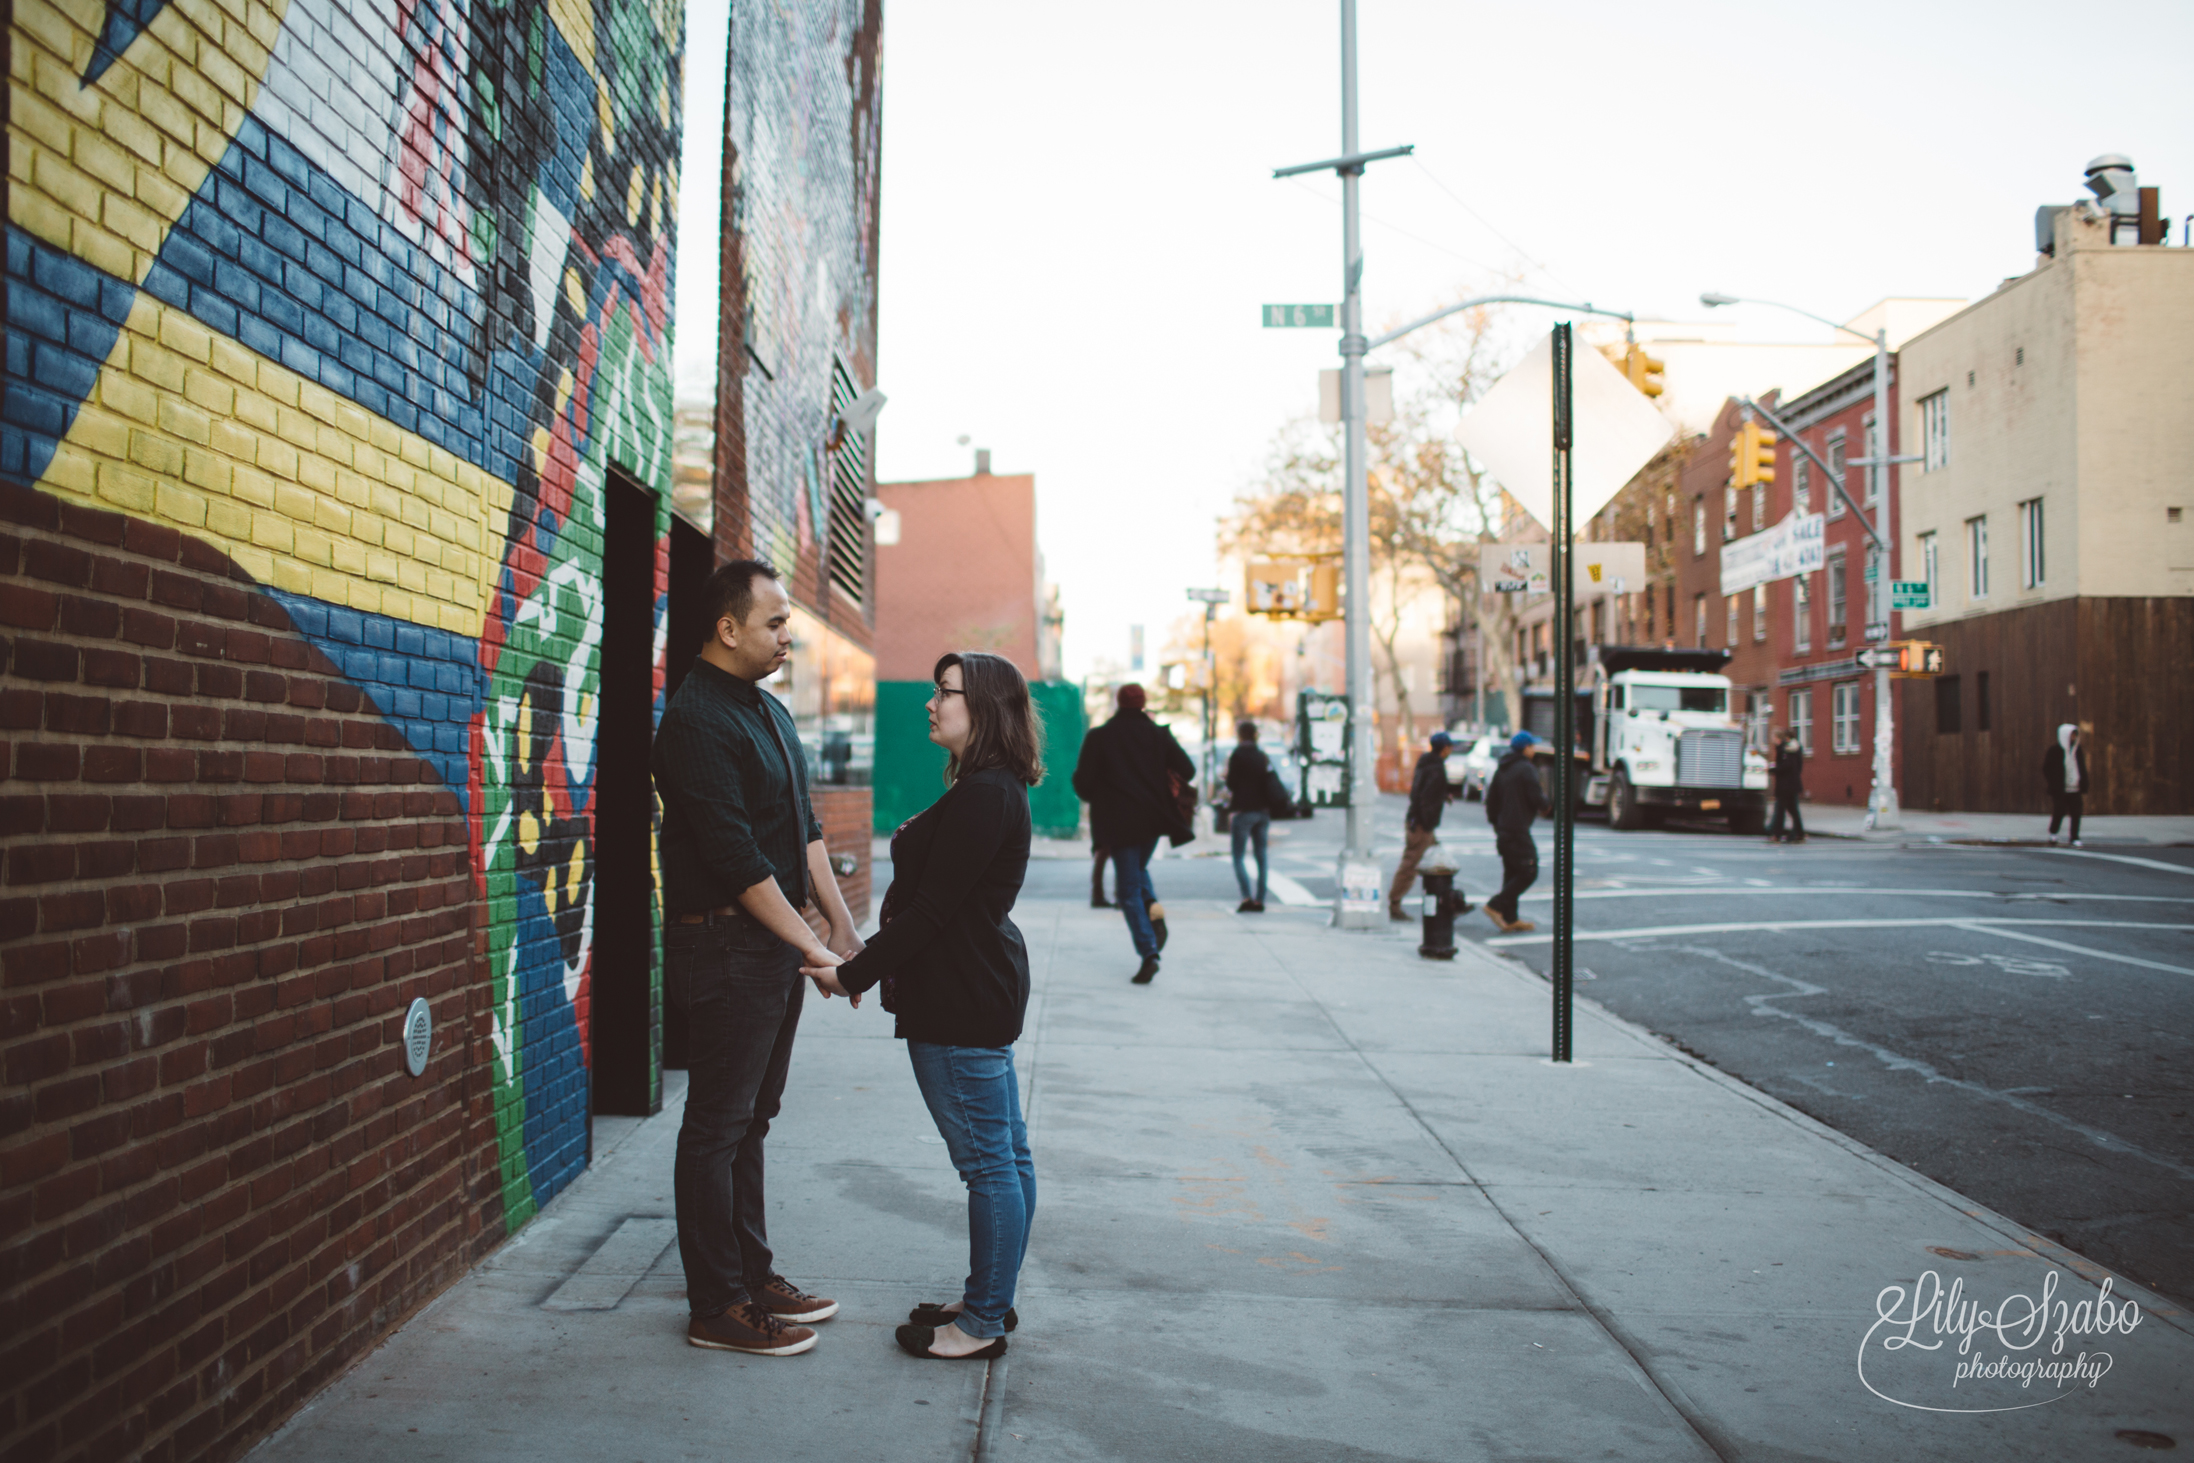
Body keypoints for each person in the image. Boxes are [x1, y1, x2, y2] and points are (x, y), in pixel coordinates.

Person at [652, 559, 863, 1358]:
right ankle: (717, 1305)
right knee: (717, 1124)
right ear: (726, 627)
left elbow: (802, 829)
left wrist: (841, 931)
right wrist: (807, 942)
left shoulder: (768, 712)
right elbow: (738, 857)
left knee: (753, 1119)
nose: (788, 635)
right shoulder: (695, 720)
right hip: (723, 948)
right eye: (775, 622)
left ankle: (750, 1272)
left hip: (768, 950)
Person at [810, 652, 1040, 1360]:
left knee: (989, 1165)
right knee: (1007, 1157)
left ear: (986, 708)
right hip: (973, 990)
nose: (931, 703)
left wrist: (853, 973)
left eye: (945, 692)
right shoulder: (987, 788)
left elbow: (931, 912)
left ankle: (978, 1324)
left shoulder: (983, 794)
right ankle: (989, 1297)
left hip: (959, 998)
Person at [1072, 684, 1195, 983]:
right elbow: (1188, 769)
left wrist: (1103, 791)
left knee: (1127, 889)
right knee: (1137, 870)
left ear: (1118, 702)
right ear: (1143, 702)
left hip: (1118, 821)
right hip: (1153, 820)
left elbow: (1083, 784)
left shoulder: (1100, 737)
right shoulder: (1158, 735)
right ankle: (1152, 907)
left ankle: (1148, 952)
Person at [1388, 731, 1461, 921]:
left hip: (1421, 823)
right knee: (1411, 865)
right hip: (1422, 825)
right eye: (1450, 747)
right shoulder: (1436, 768)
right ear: (1444, 749)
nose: (1451, 750)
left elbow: (1423, 791)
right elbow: (1425, 798)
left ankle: (1448, 901)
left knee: (1440, 860)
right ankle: (1394, 903)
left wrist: (1443, 796)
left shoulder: (1427, 763)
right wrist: (1427, 825)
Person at [1483, 731, 1551, 934]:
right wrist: (1546, 805)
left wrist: (1496, 824)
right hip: (1517, 829)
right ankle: (1495, 905)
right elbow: (1536, 796)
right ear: (1525, 749)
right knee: (1529, 871)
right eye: (1532, 746)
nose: (1534, 750)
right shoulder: (1526, 769)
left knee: (1512, 872)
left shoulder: (1502, 769)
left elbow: (1491, 801)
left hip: (1504, 829)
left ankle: (1510, 918)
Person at [1225, 720, 1277, 912]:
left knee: (1238, 856)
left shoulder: (1237, 756)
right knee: (1261, 856)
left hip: (1243, 810)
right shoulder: (1262, 756)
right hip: (1262, 811)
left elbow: (1231, 784)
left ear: (1240, 735)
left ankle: (1246, 897)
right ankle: (1260, 899)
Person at [2043, 723, 2088, 847]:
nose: (2073, 738)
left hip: (2075, 788)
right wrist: (2054, 783)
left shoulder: (2077, 751)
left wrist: (2083, 782)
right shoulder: (2055, 751)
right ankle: (2053, 833)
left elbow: (2081, 767)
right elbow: (2047, 768)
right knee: (2059, 811)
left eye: (2075, 735)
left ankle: (2074, 837)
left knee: (2076, 813)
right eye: (2071, 735)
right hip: (2060, 789)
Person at [1766, 728, 1806, 844]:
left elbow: (1787, 766)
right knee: (1792, 810)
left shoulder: (1786, 750)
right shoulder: (1788, 748)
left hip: (1786, 785)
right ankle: (1799, 833)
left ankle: (1777, 835)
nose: (1772, 740)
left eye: (1773, 737)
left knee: (1780, 810)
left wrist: (1772, 769)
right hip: (1790, 785)